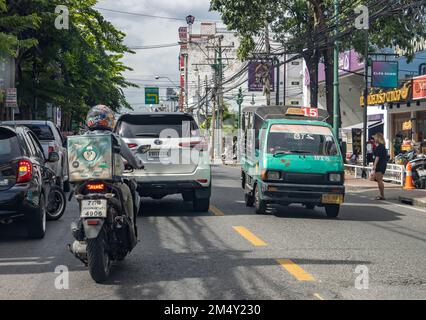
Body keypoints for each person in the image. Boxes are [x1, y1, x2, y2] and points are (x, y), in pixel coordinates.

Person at [85, 105, 144, 235]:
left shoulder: (82, 138)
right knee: (128, 193)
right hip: (111, 182)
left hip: (85, 182)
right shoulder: (114, 138)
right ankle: (130, 228)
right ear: (109, 121)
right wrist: (139, 164)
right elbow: (131, 157)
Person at [372, 133, 388, 200]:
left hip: (380, 164)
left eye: (375, 138)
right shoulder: (382, 146)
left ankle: (382, 195)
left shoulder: (380, 147)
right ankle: (381, 195)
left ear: (378, 138)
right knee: (378, 179)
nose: (374, 139)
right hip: (382, 164)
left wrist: (374, 165)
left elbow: (377, 157)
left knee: (379, 180)